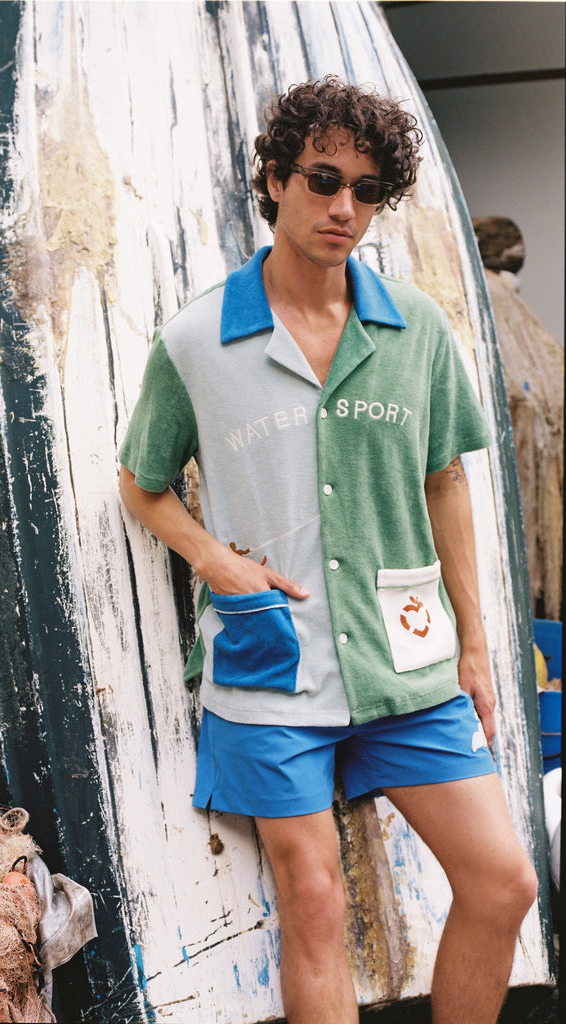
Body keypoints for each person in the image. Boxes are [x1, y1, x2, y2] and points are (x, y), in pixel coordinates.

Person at [118, 76, 537, 1024]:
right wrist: (215, 563)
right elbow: (139, 484)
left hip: (404, 659)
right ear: (272, 177)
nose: (344, 208)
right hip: (271, 664)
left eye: (367, 188)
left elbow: (444, 482)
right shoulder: (194, 342)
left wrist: (473, 644)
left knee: (504, 880)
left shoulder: (416, 330)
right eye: (321, 179)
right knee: (313, 907)